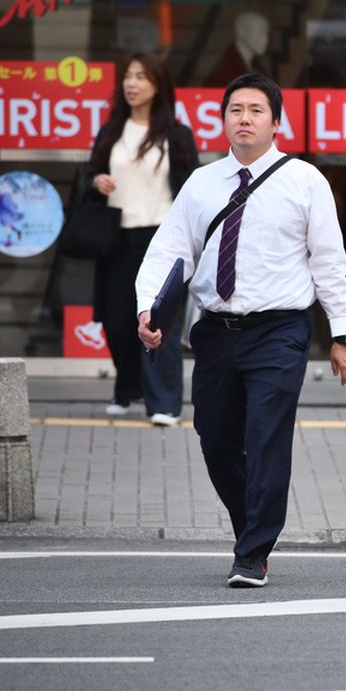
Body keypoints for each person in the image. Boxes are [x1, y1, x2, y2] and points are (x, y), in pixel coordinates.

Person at [136, 73, 346, 587]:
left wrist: (343, 334)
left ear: (276, 122)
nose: (244, 119)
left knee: (265, 439)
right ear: (223, 120)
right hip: (215, 331)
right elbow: (170, 251)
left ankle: (253, 552)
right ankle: (250, 527)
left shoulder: (305, 181)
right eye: (235, 109)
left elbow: (329, 262)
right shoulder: (202, 183)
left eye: (256, 110)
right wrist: (148, 309)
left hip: (279, 331)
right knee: (215, 441)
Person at [88, 52, 196, 426]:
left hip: (161, 238)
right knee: (117, 321)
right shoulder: (110, 132)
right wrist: (96, 182)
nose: (131, 84)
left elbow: (192, 189)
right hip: (116, 237)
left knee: (159, 320)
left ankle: (164, 403)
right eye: (128, 77)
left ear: (158, 85)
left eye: (141, 77)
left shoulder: (177, 135)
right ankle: (127, 389)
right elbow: (89, 177)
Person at [203, 11, 273, 86]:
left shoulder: (257, 68)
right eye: (260, 32)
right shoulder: (225, 72)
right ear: (241, 31)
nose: (265, 40)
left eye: (266, 33)